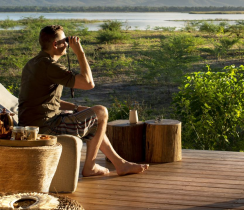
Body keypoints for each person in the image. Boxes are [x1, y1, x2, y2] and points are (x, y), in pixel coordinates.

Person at [18, 25, 149, 176]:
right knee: (101, 112)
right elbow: (88, 84)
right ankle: (91, 167)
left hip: (33, 124)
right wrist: (80, 52)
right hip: (46, 127)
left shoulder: (33, 63)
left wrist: (76, 107)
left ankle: (120, 164)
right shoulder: (49, 66)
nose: (67, 44)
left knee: (93, 116)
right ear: (55, 44)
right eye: (65, 40)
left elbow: (45, 100)